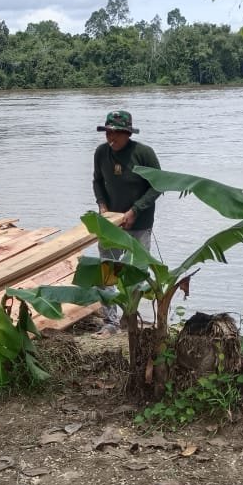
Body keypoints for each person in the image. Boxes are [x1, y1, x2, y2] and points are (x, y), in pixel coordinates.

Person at [91, 109, 161, 335]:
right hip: (111, 224)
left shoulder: (143, 153)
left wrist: (135, 211)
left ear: (127, 133)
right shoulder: (101, 153)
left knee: (135, 274)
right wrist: (102, 206)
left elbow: (157, 185)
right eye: (107, 133)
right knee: (107, 271)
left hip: (139, 224)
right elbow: (97, 181)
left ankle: (129, 317)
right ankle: (110, 321)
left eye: (115, 133)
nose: (110, 138)